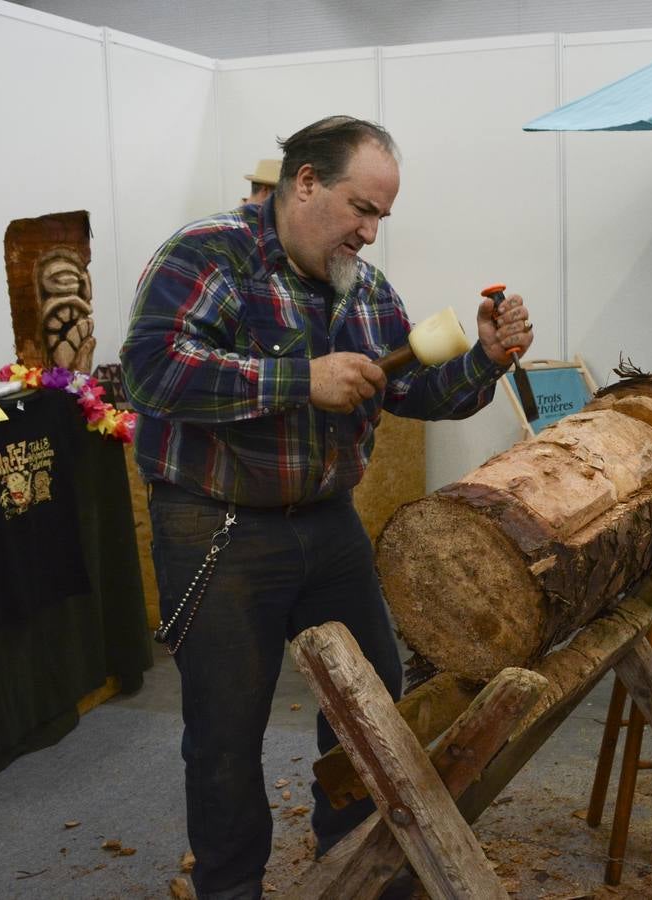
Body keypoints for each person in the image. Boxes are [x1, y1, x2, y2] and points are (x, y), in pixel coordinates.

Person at [120, 115, 533, 900]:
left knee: (373, 705)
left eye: (382, 216)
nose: (371, 233)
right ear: (303, 181)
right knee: (226, 731)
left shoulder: (361, 285)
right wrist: (296, 380)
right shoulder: (209, 254)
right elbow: (149, 371)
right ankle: (231, 887)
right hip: (217, 525)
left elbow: (414, 389)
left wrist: (485, 358)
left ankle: (356, 865)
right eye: (360, 208)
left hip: (325, 522)